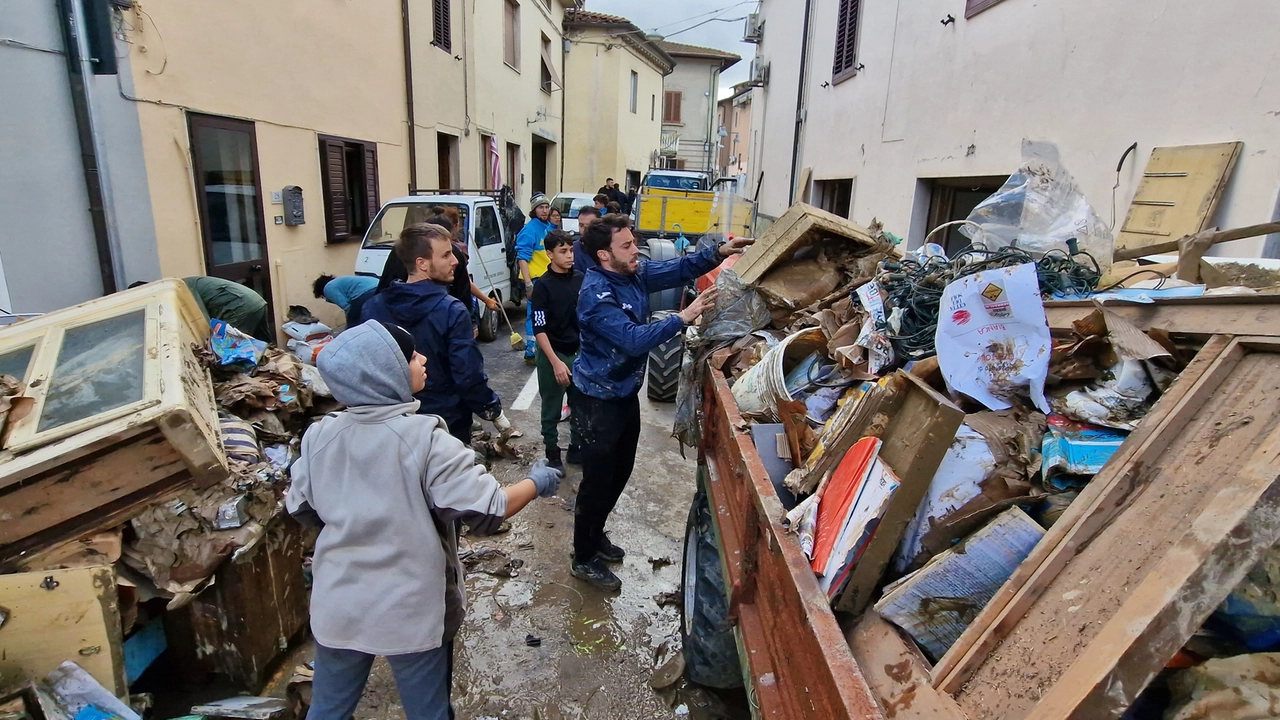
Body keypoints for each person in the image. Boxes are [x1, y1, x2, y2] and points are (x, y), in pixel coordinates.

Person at [286, 319, 563, 720]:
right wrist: (536, 482)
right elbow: (488, 511)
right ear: (384, 373)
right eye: (411, 355)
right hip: (410, 609)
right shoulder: (425, 439)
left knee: (328, 709)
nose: (422, 359)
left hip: (339, 602)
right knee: (428, 712)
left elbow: (303, 510)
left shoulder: (318, 436)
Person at [570, 214, 752, 590]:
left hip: (622, 395)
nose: (636, 249)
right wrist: (683, 317)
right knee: (596, 482)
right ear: (605, 255)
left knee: (619, 473)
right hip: (597, 401)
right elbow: (635, 340)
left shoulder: (632, 272)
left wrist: (718, 252)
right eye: (627, 245)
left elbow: (677, 267)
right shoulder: (596, 295)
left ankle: (596, 533)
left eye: (634, 241)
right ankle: (583, 557)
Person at [360, 223, 513, 445]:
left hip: (391, 425)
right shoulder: (451, 310)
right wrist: (492, 409)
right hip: (445, 423)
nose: (455, 261)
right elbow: (467, 374)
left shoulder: (372, 307)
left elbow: (365, 372)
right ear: (422, 263)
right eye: (446, 255)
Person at [530, 229, 583, 472]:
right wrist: (555, 362)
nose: (569, 255)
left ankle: (576, 449)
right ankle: (552, 453)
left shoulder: (581, 279)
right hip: (554, 354)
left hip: (578, 353)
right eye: (563, 251)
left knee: (580, 405)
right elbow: (539, 328)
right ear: (550, 254)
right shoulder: (543, 286)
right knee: (551, 407)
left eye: (571, 250)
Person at [515, 193, 555, 364]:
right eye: (541, 207)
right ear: (534, 210)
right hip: (536, 280)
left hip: (547, 279)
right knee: (534, 315)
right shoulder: (530, 230)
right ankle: (531, 352)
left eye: (546, 207)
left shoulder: (547, 227)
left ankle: (540, 348)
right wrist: (528, 283)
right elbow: (522, 257)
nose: (545, 210)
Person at [180, 276, 272, 341]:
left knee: (228, 348)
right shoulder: (191, 283)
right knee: (265, 347)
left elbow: (202, 321)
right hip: (256, 301)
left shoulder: (183, 289)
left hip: (240, 305)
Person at [313, 274, 379, 328]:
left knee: (353, 324)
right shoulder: (339, 282)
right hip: (378, 286)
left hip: (364, 292)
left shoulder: (328, 288)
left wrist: (348, 325)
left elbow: (347, 307)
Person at [571, 206, 600, 275]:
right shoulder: (572, 250)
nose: (584, 229)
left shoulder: (608, 249)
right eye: (581, 225)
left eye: (588, 225)